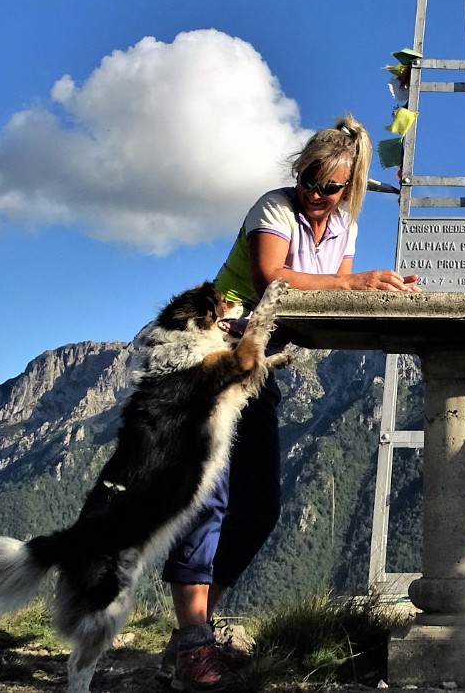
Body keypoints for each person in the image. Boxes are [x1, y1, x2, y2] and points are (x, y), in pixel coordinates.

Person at [161, 114, 418, 691]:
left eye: (329, 186)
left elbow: (322, 307)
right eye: (308, 179)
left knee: (259, 507)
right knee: (209, 498)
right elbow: (273, 279)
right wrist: (357, 285)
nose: (314, 193)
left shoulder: (344, 228)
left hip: (258, 361)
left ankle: (189, 637)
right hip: (212, 349)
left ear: (348, 188)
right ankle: (195, 641)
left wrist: (379, 297)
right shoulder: (273, 209)